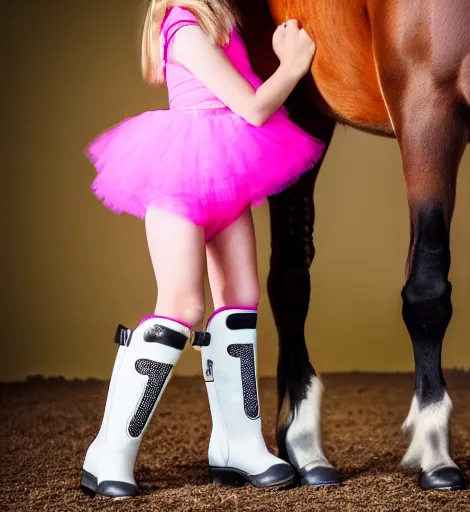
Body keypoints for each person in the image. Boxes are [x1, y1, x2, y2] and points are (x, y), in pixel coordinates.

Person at [81, 0, 325, 498]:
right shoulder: (182, 24)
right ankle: (109, 450)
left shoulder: (224, 21)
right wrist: (293, 66)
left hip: (226, 173)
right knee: (183, 306)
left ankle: (238, 443)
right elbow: (254, 108)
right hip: (180, 177)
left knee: (240, 300)